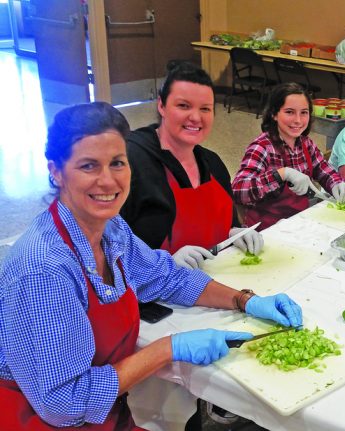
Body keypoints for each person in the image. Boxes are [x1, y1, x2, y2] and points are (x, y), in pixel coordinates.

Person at [0, 102, 302, 430]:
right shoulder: (44, 270)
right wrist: (168, 348)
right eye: (89, 166)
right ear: (56, 172)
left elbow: (166, 277)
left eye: (117, 163)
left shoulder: (111, 229)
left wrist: (245, 300)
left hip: (106, 414)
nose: (107, 180)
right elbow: (65, 403)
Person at [120, 61, 262, 270]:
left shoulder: (213, 163)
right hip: (155, 297)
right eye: (183, 106)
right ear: (161, 105)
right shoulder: (129, 163)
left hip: (213, 285)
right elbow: (106, 247)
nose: (196, 117)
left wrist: (234, 233)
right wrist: (161, 263)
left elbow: (228, 221)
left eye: (205, 108)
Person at [232, 82, 345, 229]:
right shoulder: (262, 147)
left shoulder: (306, 144)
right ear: (274, 114)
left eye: (304, 112)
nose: (298, 120)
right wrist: (281, 174)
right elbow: (239, 191)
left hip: (298, 223)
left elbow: (325, 171)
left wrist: (337, 184)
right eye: (289, 112)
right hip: (267, 230)